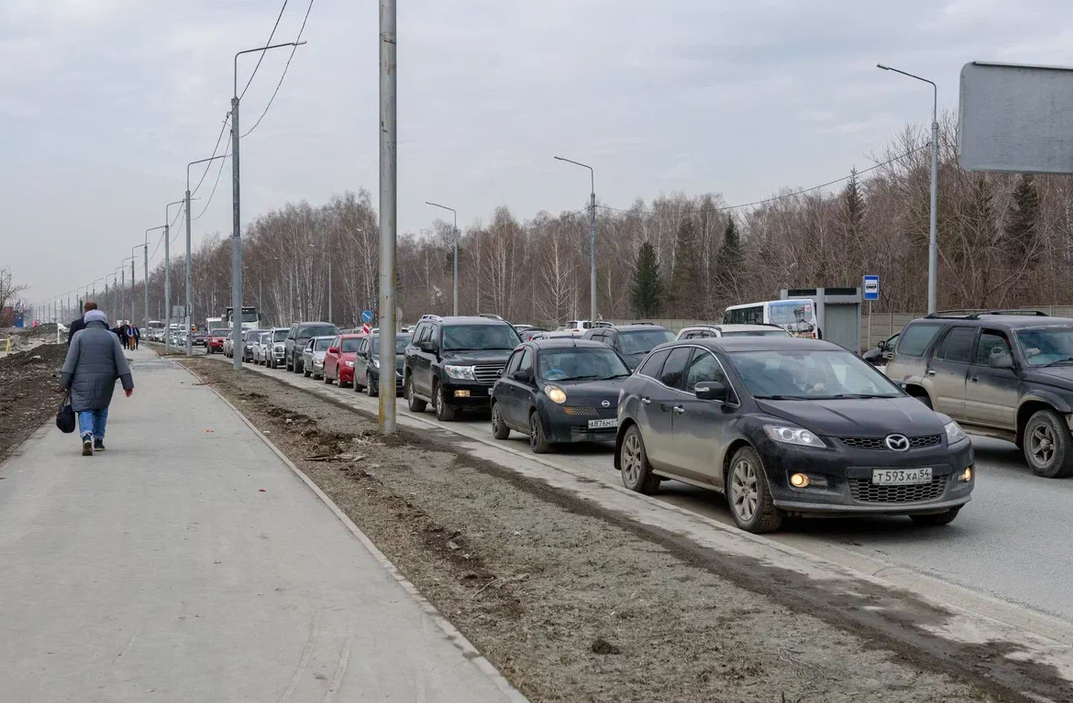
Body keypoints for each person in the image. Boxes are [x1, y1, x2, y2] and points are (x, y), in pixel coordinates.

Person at [60, 310, 134, 456]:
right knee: (101, 408)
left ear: (87, 321)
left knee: (84, 408)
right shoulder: (111, 337)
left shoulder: (78, 336)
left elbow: (70, 361)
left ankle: (86, 437)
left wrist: (63, 381)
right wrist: (128, 384)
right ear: (103, 321)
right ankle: (99, 440)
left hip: (81, 380)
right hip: (106, 379)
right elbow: (121, 361)